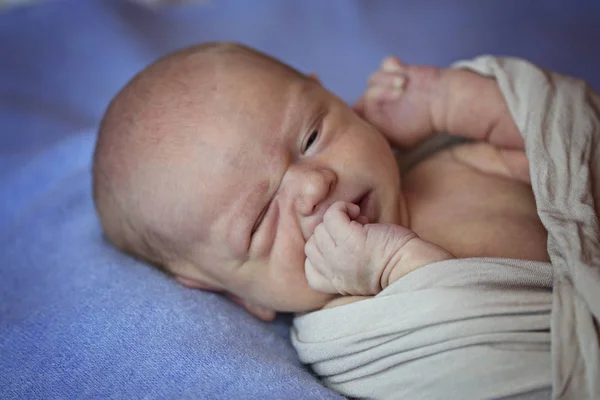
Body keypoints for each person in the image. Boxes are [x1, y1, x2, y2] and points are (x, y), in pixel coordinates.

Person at [92, 42, 548, 321]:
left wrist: (449, 102)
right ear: (231, 293)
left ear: (337, 99)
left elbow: (565, 147)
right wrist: (395, 269)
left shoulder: (451, 166)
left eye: (311, 137)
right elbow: (485, 362)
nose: (313, 186)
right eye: (258, 222)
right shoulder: (347, 332)